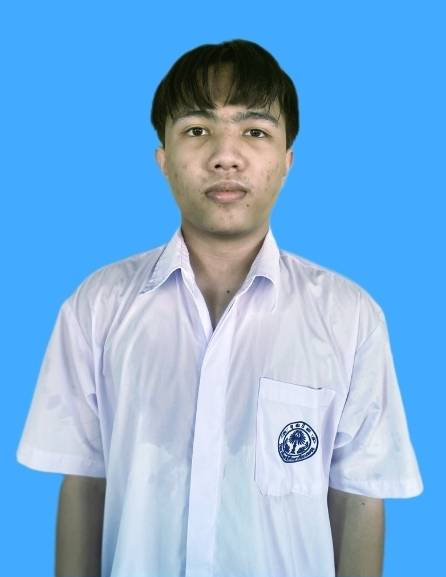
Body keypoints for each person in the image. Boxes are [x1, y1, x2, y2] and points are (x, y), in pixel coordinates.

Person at [17, 39, 423, 577]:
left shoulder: (350, 318)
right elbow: (85, 481)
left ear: (287, 160)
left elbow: (360, 497)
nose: (225, 156)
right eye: (196, 130)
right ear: (163, 159)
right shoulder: (97, 306)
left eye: (254, 131)